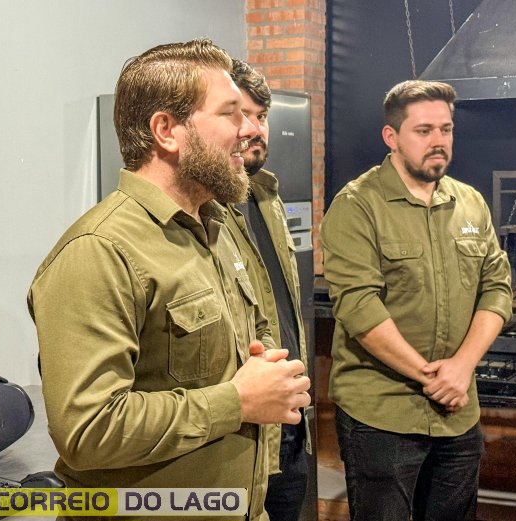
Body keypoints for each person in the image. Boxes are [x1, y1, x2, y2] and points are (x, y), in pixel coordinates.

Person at [26, 39, 310, 521]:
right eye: (230, 113)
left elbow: (256, 336)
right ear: (166, 131)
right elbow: (87, 431)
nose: (248, 130)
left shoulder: (218, 227)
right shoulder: (99, 251)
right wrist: (236, 402)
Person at [320, 79, 512, 521]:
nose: (438, 141)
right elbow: (360, 308)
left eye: (446, 129)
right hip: (382, 414)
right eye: (423, 131)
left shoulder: (470, 203)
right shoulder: (357, 205)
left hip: (457, 413)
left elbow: (497, 288)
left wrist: (461, 368)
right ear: (391, 137)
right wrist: (433, 377)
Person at [223, 59, 310, 521]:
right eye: (239, 114)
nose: (255, 129)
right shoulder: (202, 211)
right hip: (239, 441)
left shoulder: (266, 196)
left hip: (289, 430)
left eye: (262, 116)